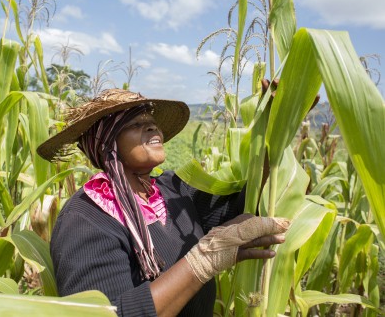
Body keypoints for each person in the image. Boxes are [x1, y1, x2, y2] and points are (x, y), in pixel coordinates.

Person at [37, 88, 289, 317]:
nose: (152, 128)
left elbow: (244, 203)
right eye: (135, 123)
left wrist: (281, 124)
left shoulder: (173, 190)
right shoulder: (87, 217)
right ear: (106, 143)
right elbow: (106, 313)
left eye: (152, 122)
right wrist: (206, 258)